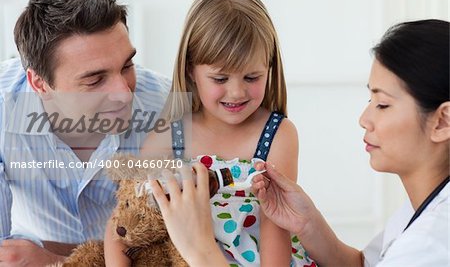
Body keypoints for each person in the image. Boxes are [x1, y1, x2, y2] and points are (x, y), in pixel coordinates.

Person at [149, 19, 450, 267]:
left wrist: (200, 249)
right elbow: (365, 265)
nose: (364, 118)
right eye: (369, 99)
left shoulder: (431, 246)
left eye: (382, 104)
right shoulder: (421, 216)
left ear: (442, 121)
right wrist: (308, 224)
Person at [104, 0, 315, 266]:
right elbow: (126, 214)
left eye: (252, 77)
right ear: (191, 70)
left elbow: (276, 229)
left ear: (270, 67)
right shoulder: (171, 135)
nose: (237, 92)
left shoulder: (277, 135)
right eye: (219, 79)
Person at [0, 0, 170, 265]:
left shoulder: (167, 106)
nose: (123, 93)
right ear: (39, 84)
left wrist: (56, 261)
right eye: (95, 80)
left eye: (127, 66)